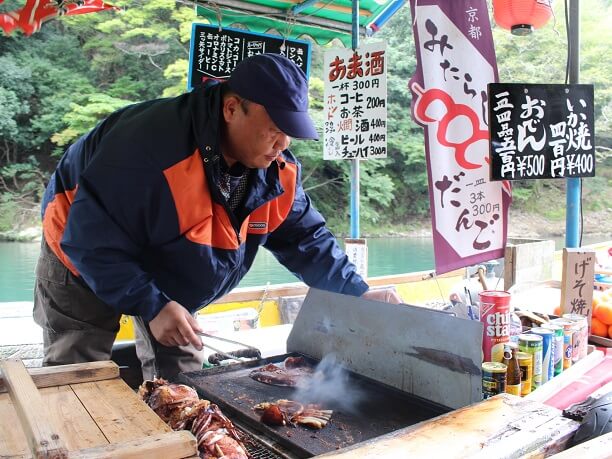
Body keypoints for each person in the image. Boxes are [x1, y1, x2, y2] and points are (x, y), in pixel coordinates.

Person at [34, 53, 401, 381]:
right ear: (231, 108)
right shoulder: (149, 149)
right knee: (77, 377)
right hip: (79, 255)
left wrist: (358, 293)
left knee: (186, 382)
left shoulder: (276, 168)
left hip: (169, 263)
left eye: (289, 133)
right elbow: (89, 240)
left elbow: (307, 240)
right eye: (274, 129)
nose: (283, 144)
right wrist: (153, 305)